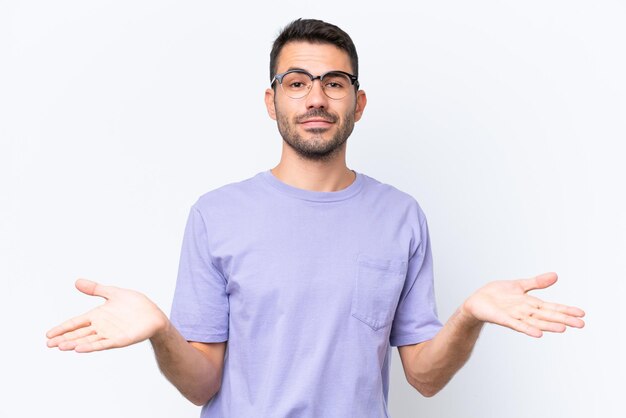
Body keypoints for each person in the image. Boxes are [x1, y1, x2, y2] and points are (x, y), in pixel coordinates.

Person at [46, 18, 585, 418]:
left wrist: (469, 316)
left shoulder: (401, 217)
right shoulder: (217, 215)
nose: (317, 98)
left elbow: (423, 377)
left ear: (359, 101)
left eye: (334, 82)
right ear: (271, 99)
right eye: (297, 81)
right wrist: (162, 331)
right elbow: (201, 384)